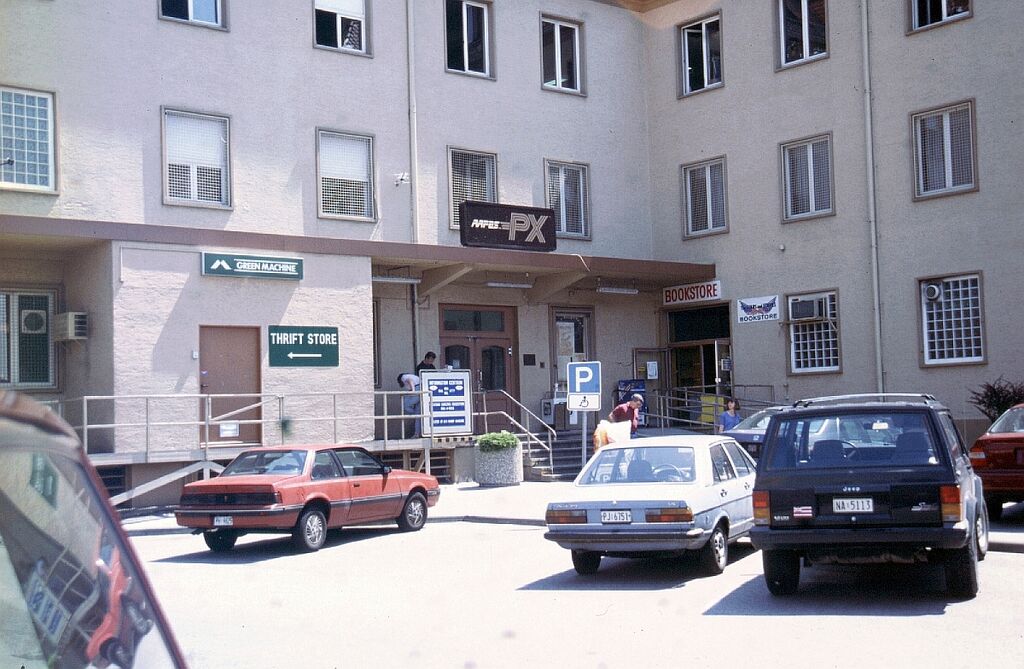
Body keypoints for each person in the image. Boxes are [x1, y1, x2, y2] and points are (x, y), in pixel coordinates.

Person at [398, 372, 421, 437]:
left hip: (417, 388)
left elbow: (410, 380)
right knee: (418, 415)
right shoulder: (411, 375)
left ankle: (413, 413)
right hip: (420, 388)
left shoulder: (403, 377)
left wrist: (413, 391)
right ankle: (417, 433)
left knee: (404, 405)